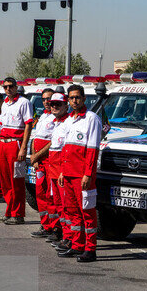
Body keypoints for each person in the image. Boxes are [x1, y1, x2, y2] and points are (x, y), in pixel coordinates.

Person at [57, 84, 102, 262]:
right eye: (71, 98)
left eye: (77, 97)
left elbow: (92, 150)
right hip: (67, 174)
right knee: (72, 212)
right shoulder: (69, 120)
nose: (74, 101)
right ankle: (77, 246)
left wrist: (87, 174)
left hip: (82, 176)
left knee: (87, 212)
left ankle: (90, 249)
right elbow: (65, 149)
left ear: (84, 99)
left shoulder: (92, 119)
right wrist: (62, 172)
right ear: (68, 100)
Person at [0, 77, 33, 225]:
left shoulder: (24, 102)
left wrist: (24, 147)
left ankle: (18, 214)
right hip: (3, 143)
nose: (8, 89)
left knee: (16, 181)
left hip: (15, 144)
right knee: (5, 180)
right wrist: (0, 147)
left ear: (16, 87)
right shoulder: (4, 104)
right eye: (5, 87)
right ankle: (9, 211)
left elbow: (28, 125)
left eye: (11, 86)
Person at [29, 88, 59, 237]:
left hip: (50, 161)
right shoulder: (42, 117)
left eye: (49, 99)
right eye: (44, 99)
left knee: (51, 195)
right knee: (40, 194)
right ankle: (45, 225)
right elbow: (35, 138)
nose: (47, 102)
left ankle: (55, 228)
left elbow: (52, 142)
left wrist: (37, 156)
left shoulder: (57, 118)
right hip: (39, 162)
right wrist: (34, 157)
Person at [43, 92, 69, 246]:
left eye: (58, 104)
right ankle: (62, 233)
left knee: (66, 205)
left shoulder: (68, 123)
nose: (54, 107)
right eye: (52, 104)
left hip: (61, 168)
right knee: (56, 203)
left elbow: (67, 149)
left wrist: (62, 171)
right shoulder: (56, 122)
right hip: (52, 168)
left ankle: (68, 236)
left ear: (66, 105)